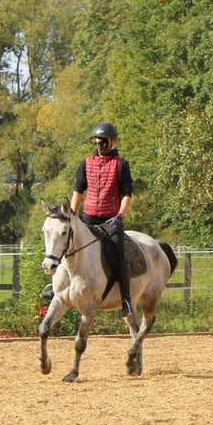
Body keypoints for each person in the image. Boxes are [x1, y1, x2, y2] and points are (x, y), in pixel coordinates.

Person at [69, 121, 134, 317]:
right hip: (88, 217)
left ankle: (126, 299)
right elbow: (78, 190)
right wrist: (72, 214)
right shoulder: (86, 163)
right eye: (97, 140)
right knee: (67, 246)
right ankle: (57, 288)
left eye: (103, 141)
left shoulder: (121, 164)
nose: (100, 144)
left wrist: (120, 215)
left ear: (112, 141)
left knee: (119, 255)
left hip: (111, 219)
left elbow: (127, 193)